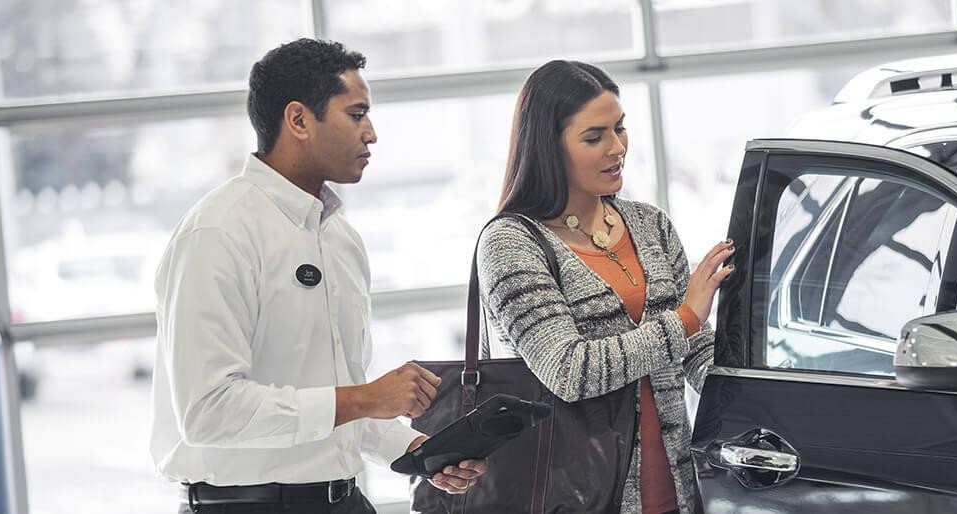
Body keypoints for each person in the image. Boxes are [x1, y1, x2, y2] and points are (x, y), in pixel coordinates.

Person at [150, 38, 486, 514]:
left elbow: (341, 408)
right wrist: (366, 396)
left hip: (344, 500)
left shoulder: (340, 239)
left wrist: (419, 453)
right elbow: (208, 412)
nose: (371, 134)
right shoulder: (218, 232)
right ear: (299, 120)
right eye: (356, 114)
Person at [477, 60, 734, 514]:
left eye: (620, 128)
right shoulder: (511, 242)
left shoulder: (648, 224)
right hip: (576, 497)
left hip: (678, 489)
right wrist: (686, 319)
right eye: (594, 137)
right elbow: (568, 371)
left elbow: (692, 352)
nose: (617, 148)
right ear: (548, 147)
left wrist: (763, 392)